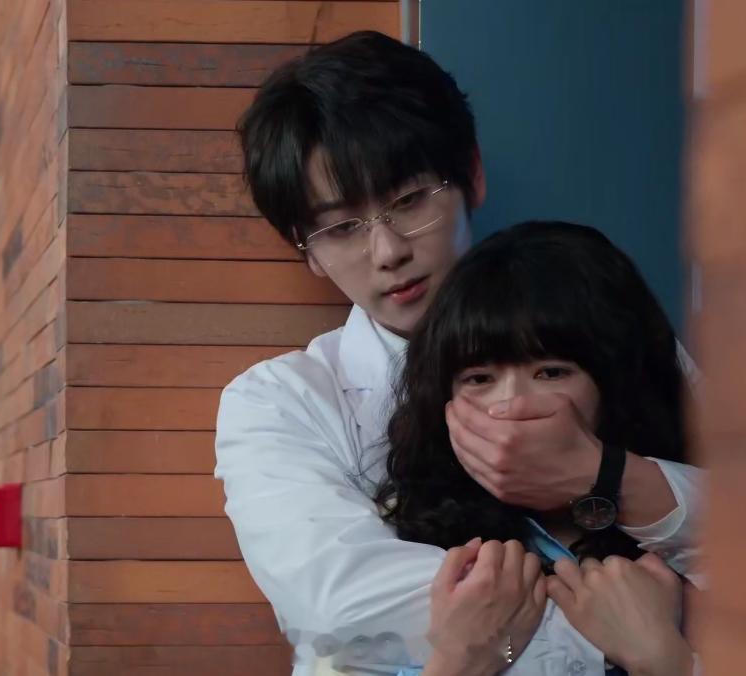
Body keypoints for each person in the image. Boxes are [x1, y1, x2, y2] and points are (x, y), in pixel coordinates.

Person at [215, 31, 703, 673]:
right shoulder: (281, 402)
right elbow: (338, 603)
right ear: (305, 249)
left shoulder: (606, 325)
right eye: (340, 227)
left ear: (471, 174)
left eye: (409, 201)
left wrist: (608, 476)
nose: (388, 251)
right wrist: (643, 628)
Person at [378, 221, 697, 675]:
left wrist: (662, 660)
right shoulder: (410, 546)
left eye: (551, 372)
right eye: (479, 379)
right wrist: (462, 660)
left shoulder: (692, 535)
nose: (511, 408)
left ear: (616, 381)